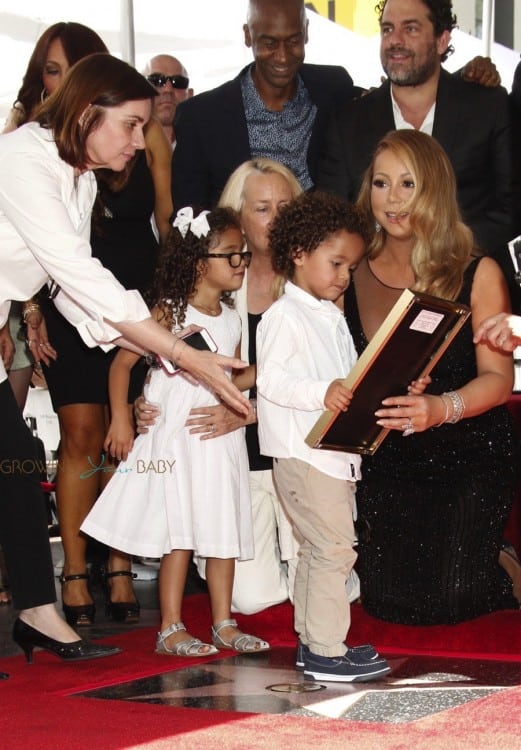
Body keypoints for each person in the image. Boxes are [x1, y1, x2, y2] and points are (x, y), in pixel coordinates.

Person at [0, 53, 248, 669]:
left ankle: (35, 607)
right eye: (132, 124)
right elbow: (77, 273)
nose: (143, 140)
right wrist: (181, 353)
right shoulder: (23, 160)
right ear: (88, 114)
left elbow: (69, 290)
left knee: (16, 463)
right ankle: (35, 605)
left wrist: (146, 344)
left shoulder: (79, 176)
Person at [342, 128, 520, 625]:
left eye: (408, 185)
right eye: (381, 184)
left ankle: (500, 561)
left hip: (468, 452)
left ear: (435, 192)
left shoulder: (476, 271)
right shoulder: (347, 270)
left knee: (448, 603)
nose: (392, 200)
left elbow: (498, 379)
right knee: (387, 604)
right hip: (386, 459)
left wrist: (440, 408)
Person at [81, 206, 269, 657]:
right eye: (231, 254)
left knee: (222, 526)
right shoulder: (168, 311)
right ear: (198, 261)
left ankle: (224, 621)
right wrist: (123, 417)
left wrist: (264, 374)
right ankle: (171, 626)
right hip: (177, 438)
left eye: (243, 252)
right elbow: (122, 364)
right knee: (179, 532)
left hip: (217, 439)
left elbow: (235, 373)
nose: (242, 261)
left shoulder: (231, 316)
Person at [256, 190, 391, 682]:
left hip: (329, 455)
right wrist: (324, 391)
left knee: (320, 549)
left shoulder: (327, 315)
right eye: (336, 263)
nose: (344, 277)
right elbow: (270, 381)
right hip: (305, 453)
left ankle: (316, 644)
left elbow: (344, 382)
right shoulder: (283, 317)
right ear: (299, 253)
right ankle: (327, 650)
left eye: (350, 268)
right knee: (335, 549)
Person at [317, 0, 517, 308]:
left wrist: (450, 252)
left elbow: (513, 205)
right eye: (388, 29)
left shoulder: (487, 107)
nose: (395, 40)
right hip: (375, 295)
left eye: (410, 28)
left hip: (474, 292)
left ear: (442, 40)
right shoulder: (349, 121)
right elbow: (333, 216)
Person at [172, 0, 359, 209]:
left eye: (293, 41)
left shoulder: (334, 88)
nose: (282, 56)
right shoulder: (201, 117)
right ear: (247, 35)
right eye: (269, 43)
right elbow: (187, 217)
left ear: (306, 32)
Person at [142, 54, 193, 147]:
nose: (168, 89)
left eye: (178, 82)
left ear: (190, 94)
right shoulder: (127, 149)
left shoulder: (208, 147)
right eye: (156, 80)